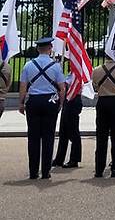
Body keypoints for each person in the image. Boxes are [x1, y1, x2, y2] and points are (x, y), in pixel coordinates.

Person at [18, 37, 66, 179]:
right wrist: (61, 103)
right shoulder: (56, 66)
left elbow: (23, 86)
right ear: (50, 48)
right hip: (50, 100)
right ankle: (46, 171)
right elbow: (62, 88)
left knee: (33, 137)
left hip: (34, 100)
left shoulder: (28, 65)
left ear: (38, 49)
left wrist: (21, 102)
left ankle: (33, 171)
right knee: (48, 137)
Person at [53, 73, 82, 168]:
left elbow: (74, 86)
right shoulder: (71, 73)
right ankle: (59, 158)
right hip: (68, 99)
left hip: (73, 99)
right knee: (63, 131)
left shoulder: (78, 71)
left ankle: (74, 159)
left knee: (73, 131)